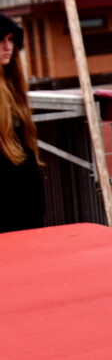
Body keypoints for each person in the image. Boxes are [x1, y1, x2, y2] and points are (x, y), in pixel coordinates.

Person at [0, 13, 45, 233]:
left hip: (25, 200)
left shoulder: (13, 87)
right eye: (0, 41)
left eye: (10, 40)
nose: (7, 47)